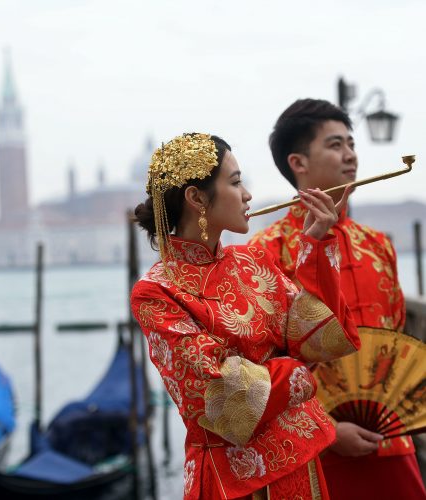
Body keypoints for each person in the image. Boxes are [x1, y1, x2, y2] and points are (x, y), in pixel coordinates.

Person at [131, 132, 360, 499]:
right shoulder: (157, 291)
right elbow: (218, 393)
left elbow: (322, 340)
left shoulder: (254, 261)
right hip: (234, 480)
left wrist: (315, 243)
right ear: (196, 198)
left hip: (301, 457)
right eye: (236, 182)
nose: (248, 194)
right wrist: (295, 372)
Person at [249, 99, 426, 499]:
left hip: (392, 440)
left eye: (351, 143)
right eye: (334, 145)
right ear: (298, 162)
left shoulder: (378, 245)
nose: (350, 155)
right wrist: (326, 427)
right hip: (310, 450)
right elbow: (263, 365)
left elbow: (395, 340)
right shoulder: (265, 252)